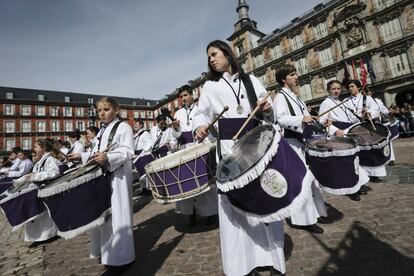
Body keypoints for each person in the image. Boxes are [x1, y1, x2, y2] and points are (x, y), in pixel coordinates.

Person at [194, 40, 285, 276]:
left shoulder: (250, 80)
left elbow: (269, 111)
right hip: (228, 147)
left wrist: (266, 107)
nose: (211, 59)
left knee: (265, 197)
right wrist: (200, 127)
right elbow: (200, 114)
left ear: (228, 53)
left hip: (257, 144)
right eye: (209, 57)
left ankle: (273, 259)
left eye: (214, 54)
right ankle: (243, 265)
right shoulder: (209, 87)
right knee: (234, 206)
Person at [68, 97, 135, 274]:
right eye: (99, 111)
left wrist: (109, 158)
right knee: (105, 218)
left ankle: (123, 258)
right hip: (102, 178)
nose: (102, 113)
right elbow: (96, 152)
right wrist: (82, 157)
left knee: (119, 216)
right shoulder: (102, 131)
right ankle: (109, 255)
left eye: (106, 109)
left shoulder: (123, 127)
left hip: (118, 177)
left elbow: (128, 151)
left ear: (116, 109)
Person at [273, 64, 329, 234]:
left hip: (304, 142)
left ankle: (317, 212)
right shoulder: (280, 97)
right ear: (284, 79)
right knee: (302, 181)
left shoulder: (296, 97)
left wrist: (316, 122)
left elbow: (305, 118)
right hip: (293, 144)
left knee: (312, 179)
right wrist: (301, 119)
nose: (297, 76)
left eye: (296, 73)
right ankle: (303, 220)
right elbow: (281, 119)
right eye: (292, 74)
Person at [172, 85, 218, 226]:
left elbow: (208, 128)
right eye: (181, 97)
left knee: (205, 181)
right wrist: (175, 128)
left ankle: (211, 212)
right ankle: (191, 212)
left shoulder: (200, 109)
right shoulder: (178, 113)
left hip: (200, 146)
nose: (183, 98)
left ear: (192, 95)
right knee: (187, 183)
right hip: (185, 148)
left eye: (185, 95)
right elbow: (176, 135)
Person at [318, 80, 370, 201]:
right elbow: (322, 121)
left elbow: (351, 118)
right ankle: (352, 189)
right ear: (328, 90)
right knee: (346, 162)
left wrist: (363, 115)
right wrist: (335, 130)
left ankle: (357, 184)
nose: (336, 91)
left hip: (348, 133)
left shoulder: (342, 102)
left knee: (353, 161)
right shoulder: (326, 103)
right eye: (333, 89)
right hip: (339, 135)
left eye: (338, 88)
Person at [20, 139, 60, 245]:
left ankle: (48, 235)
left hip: (45, 189)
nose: (34, 149)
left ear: (44, 148)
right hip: (36, 189)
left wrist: (36, 176)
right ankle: (36, 237)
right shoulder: (41, 160)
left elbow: (54, 172)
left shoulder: (50, 159)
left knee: (43, 215)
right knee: (35, 214)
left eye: (36, 147)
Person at [344, 80, 383, 182]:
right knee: (359, 151)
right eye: (349, 87)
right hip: (354, 128)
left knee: (370, 150)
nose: (350, 88)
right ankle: (363, 174)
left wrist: (369, 113)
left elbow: (376, 109)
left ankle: (374, 174)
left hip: (366, 127)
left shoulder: (367, 98)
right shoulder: (346, 101)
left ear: (358, 87)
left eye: (352, 86)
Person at [366, 90, 396, 166]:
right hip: (369, 125)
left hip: (381, 124)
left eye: (369, 92)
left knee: (387, 140)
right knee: (374, 143)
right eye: (366, 93)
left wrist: (389, 112)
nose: (369, 94)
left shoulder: (377, 101)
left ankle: (390, 159)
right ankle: (379, 159)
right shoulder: (363, 103)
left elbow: (384, 110)